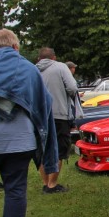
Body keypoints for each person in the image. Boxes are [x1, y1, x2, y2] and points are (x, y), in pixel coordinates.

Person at [0, 29, 58, 217]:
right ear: (15, 47)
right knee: (15, 190)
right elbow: (43, 106)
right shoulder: (28, 70)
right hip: (18, 142)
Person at [36, 47, 79, 193]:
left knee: (41, 150)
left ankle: (45, 182)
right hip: (58, 114)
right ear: (54, 58)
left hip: (39, 117)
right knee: (59, 149)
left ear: (39, 59)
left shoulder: (33, 70)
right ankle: (52, 184)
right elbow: (73, 88)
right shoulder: (60, 67)